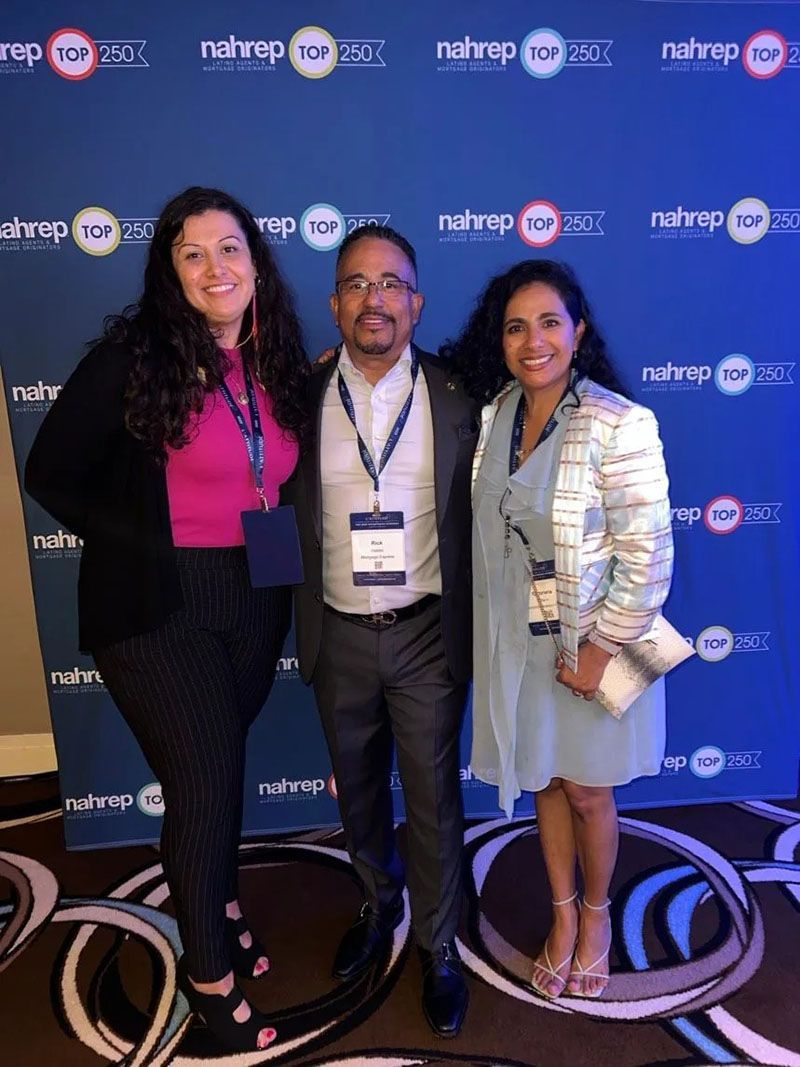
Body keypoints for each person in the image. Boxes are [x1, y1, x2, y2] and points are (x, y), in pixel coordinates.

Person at [25, 186, 309, 1051]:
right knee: (203, 782)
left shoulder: (278, 358)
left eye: (230, 249)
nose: (215, 268)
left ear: (256, 262)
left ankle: (215, 906)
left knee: (218, 776)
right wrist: (137, 540)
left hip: (255, 594)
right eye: (193, 253)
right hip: (157, 607)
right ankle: (208, 979)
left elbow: (283, 473)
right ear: (170, 270)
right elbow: (51, 470)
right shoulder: (132, 355)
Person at [446, 259, 673, 1001]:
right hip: (518, 645)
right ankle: (561, 915)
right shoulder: (497, 413)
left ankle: (598, 915)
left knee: (588, 793)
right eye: (516, 326)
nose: (532, 340)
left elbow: (649, 555)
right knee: (544, 780)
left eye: (549, 322)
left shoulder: (620, 421)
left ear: (578, 331)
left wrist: (605, 649)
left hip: (591, 644)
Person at [283, 224, 477, 1037]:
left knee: (432, 799)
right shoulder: (295, 395)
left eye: (391, 283)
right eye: (357, 284)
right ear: (334, 304)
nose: (375, 299)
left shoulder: (461, 396)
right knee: (357, 789)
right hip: (336, 630)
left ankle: (438, 946)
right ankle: (375, 901)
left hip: (426, 630)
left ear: (416, 301)